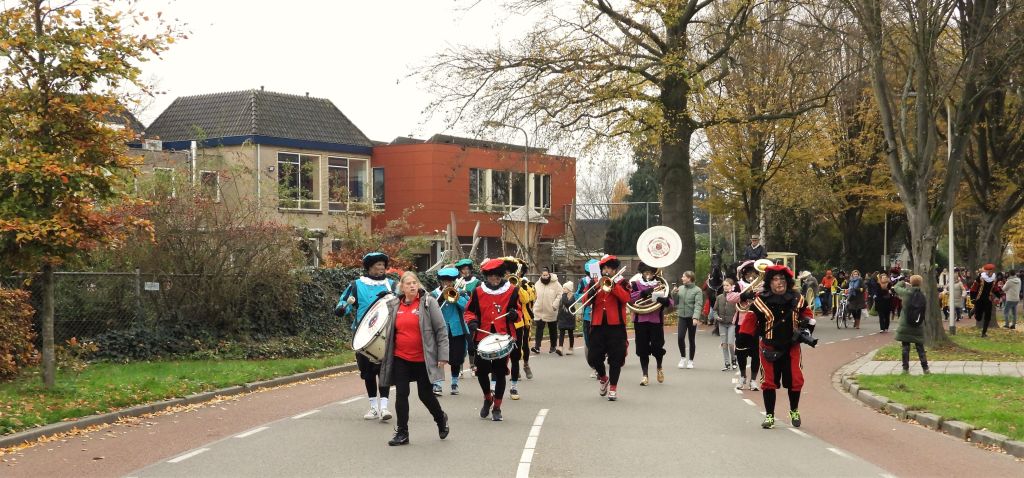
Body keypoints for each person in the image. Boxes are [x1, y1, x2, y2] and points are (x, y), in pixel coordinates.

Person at [379, 272, 450, 446]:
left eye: (414, 283)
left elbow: (441, 330)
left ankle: (440, 418)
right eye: (408, 283)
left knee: (425, 395)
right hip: (400, 357)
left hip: (423, 358)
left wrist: (442, 355)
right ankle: (402, 433)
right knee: (401, 394)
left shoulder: (428, 302)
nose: (412, 286)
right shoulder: (395, 304)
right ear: (401, 287)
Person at [742, 264, 813, 429]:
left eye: (782, 278)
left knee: (795, 380)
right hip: (768, 347)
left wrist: (806, 326)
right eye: (775, 279)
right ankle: (769, 416)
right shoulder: (760, 301)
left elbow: (808, 315)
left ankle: (794, 410)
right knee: (768, 382)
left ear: (787, 281)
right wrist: (744, 341)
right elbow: (750, 321)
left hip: (791, 347)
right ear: (769, 282)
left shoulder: (797, 298)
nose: (779, 282)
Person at [335, 251, 395, 421]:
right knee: (368, 373)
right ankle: (373, 407)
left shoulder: (391, 284)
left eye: (383, 265)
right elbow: (344, 303)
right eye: (378, 265)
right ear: (369, 267)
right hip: (363, 334)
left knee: (384, 372)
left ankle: (384, 407)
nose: (382, 268)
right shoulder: (356, 285)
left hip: (386, 333)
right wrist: (341, 308)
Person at [464, 258, 521, 421]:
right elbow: (469, 311)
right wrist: (472, 321)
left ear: (502, 275)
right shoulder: (478, 291)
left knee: (500, 372)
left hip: (504, 337)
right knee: (481, 371)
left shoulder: (512, 290)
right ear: (486, 276)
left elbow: (519, 312)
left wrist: (514, 314)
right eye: (491, 277)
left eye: (497, 276)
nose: (494, 280)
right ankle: (487, 397)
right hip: (482, 337)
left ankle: (497, 407)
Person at [584, 254, 630, 400]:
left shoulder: (622, 282)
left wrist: (613, 286)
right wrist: (592, 291)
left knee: (616, 358)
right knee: (593, 357)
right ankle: (603, 378)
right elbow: (584, 301)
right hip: (598, 324)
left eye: (609, 268)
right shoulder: (594, 281)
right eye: (604, 268)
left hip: (616, 325)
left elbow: (626, 298)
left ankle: (613, 388)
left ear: (614, 269)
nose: (606, 271)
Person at [629, 262, 673, 385]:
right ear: (642, 273)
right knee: (642, 348)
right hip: (640, 321)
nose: (648, 275)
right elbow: (630, 299)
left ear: (655, 273)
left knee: (657, 347)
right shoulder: (635, 284)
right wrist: (643, 293)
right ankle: (645, 375)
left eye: (651, 272)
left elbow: (671, 303)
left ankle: (659, 367)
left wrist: (665, 301)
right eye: (646, 272)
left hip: (656, 321)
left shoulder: (661, 285)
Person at [430, 267, 470, 395]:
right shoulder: (434, 294)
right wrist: (442, 297)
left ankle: (454, 383)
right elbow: (430, 309)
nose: (446, 284)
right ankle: (437, 384)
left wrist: (456, 296)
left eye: (449, 281)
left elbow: (466, 307)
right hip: (439, 330)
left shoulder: (461, 292)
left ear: (453, 281)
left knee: (456, 357)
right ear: (440, 281)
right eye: (444, 281)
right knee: (438, 357)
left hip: (457, 329)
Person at [730, 261, 761, 391]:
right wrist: (744, 295)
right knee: (741, 352)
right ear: (744, 273)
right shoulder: (739, 285)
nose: (751, 275)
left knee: (756, 354)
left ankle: (753, 380)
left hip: (757, 322)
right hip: (741, 322)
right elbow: (730, 298)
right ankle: (742, 377)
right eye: (748, 272)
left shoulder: (762, 285)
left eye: (753, 272)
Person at [506, 258, 535, 400]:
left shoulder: (527, 283)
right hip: (511, 320)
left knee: (524, 344)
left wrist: (518, 285)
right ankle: (514, 368)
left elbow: (526, 299)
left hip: (524, 318)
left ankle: (526, 364)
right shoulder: (505, 282)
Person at [893, 275, 930, 374]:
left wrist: (903, 282)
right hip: (918, 324)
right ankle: (925, 368)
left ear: (911, 282)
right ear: (920, 283)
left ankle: (905, 369)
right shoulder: (923, 295)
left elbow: (896, 287)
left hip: (906, 324)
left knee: (905, 347)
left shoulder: (906, 293)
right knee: (920, 347)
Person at [575, 259, 599, 377]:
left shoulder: (602, 280)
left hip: (599, 315)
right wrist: (588, 294)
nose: (591, 275)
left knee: (599, 341)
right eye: (589, 272)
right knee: (589, 341)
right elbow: (577, 295)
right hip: (587, 315)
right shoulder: (583, 281)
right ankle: (594, 364)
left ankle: (598, 365)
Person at [674, 271, 703, 369]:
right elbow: (675, 302)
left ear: (689, 278)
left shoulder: (697, 290)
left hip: (691, 318)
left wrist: (695, 317)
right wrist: (674, 293)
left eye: (683, 277)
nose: (682, 278)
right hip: (682, 316)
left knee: (691, 339)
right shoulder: (680, 288)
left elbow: (698, 305)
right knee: (680, 337)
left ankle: (690, 360)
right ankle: (683, 358)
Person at [532, 267, 562, 354]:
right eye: (543, 275)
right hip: (539, 310)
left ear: (549, 274)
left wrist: (555, 305)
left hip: (551, 310)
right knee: (539, 329)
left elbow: (560, 295)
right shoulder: (537, 284)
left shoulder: (556, 284)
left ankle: (553, 346)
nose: (545, 277)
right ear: (541, 275)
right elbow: (534, 294)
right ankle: (537, 347)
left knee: (552, 329)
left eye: (546, 275)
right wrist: (534, 304)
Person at [714, 277, 738, 371]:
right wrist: (716, 317)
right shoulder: (719, 297)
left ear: (732, 286)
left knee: (731, 344)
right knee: (724, 344)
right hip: (722, 323)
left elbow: (739, 310)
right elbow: (715, 310)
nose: (725, 287)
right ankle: (727, 363)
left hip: (732, 323)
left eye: (727, 285)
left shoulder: (736, 296)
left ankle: (734, 360)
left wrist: (735, 319)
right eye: (724, 285)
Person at [970, 264, 1000, 337]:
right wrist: (973, 298)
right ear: (986, 271)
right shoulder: (980, 278)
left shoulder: (994, 278)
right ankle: (975, 310)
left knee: (988, 316)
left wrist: (999, 295)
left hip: (988, 299)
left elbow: (995, 288)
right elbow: (973, 289)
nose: (990, 273)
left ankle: (984, 333)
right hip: (979, 299)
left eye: (991, 271)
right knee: (979, 318)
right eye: (988, 271)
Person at [555, 280, 576, 355]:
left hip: (570, 317)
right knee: (562, 333)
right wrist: (558, 317)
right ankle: (560, 347)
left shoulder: (572, 296)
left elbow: (567, 303)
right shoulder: (562, 296)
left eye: (564, 288)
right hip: (562, 317)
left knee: (570, 333)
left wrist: (564, 295)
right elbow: (560, 307)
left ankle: (571, 347)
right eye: (563, 288)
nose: (563, 290)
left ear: (569, 289)